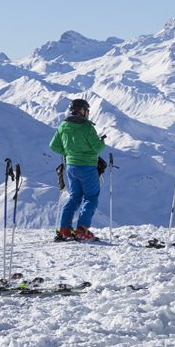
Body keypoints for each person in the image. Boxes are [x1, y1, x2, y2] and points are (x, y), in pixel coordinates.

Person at [49, 98, 108, 241]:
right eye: (86, 110)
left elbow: (53, 146)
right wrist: (101, 141)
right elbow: (98, 148)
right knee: (91, 197)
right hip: (87, 167)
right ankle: (82, 229)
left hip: (71, 167)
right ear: (81, 111)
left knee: (74, 197)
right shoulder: (87, 127)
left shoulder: (63, 126)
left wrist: (69, 152)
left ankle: (64, 229)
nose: (88, 113)